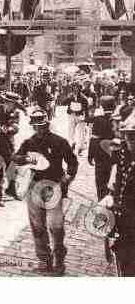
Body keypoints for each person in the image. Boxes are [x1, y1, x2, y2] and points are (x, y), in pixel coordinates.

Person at [13, 109, 78, 275]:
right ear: (33, 127)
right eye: (35, 126)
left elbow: (72, 162)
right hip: (34, 187)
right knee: (37, 226)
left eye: (41, 125)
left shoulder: (60, 141)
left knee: (56, 226)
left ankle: (59, 260)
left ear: (47, 124)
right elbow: (16, 157)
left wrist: (68, 178)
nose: (39, 129)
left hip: (54, 187)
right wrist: (26, 159)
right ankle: (44, 259)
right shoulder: (29, 142)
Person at [102, 116, 135, 276]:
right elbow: (118, 182)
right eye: (129, 136)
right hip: (125, 224)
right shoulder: (124, 155)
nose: (132, 141)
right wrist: (111, 196)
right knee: (123, 261)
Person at [88, 96, 116, 201]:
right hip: (113, 154)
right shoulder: (117, 120)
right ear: (114, 106)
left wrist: (90, 155)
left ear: (102, 107)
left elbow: (94, 139)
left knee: (100, 179)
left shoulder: (98, 120)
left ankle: (101, 200)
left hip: (100, 154)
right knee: (112, 177)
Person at [64, 82, 89, 155]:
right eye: (74, 87)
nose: (75, 89)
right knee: (71, 131)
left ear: (80, 89)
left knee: (81, 132)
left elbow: (86, 109)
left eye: (77, 88)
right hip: (72, 115)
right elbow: (64, 103)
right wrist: (69, 97)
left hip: (80, 115)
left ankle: (80, 148)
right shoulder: (70, 96)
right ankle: (72, 144)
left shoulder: (83, 98)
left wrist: (86, 119)